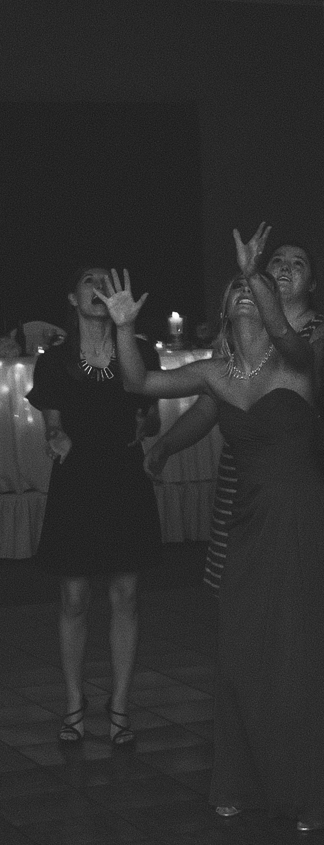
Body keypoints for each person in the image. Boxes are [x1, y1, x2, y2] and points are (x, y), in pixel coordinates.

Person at [100, 225, 324, 834]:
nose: (250, 291)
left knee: (296, 649)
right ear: (225, 310)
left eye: (261, 285)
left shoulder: (303, 355)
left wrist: (253, 274)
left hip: (302, 517)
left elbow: (290, 342)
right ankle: (241, 780)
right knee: (241, 650)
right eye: (239, 289)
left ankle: (304, 789)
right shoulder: (216, 373)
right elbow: (138, 383)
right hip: (246, 520)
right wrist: (123, 328)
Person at [27, 265, 163, 747]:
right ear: (72, 296)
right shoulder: (54, 361)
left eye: (106, 281)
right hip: (77, 481)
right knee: (74, 598)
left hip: (124, 477)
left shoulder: (140, 350)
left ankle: (120, 706)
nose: (98, 288)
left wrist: (146, 427)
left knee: (126, 595)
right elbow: (52, 420)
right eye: (89, 280)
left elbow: (153, 418)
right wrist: (54, 434)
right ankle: (73, 704)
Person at [145, 238, 324, 592]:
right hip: (240, 477)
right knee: (240, 585)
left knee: (295, 586)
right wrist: (166, 445)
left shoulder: (316, 334)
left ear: (313, 285)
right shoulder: (240, 335)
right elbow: (208, 406)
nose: (285, 267)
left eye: (298, 263)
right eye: (277, 260)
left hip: (297, 478)